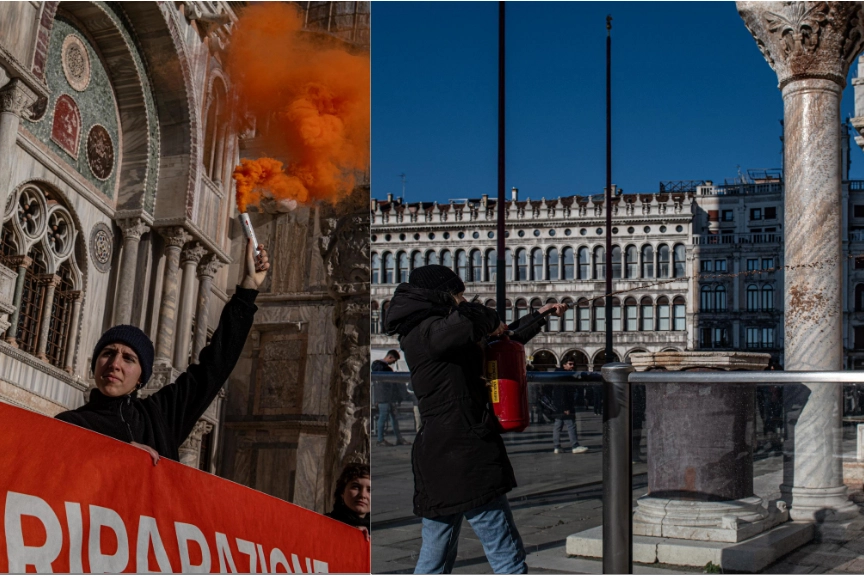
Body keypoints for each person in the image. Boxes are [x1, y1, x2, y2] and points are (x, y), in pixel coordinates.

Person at [384, 265, 566, 574]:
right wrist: (482, 316)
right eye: (459, 294)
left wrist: (540, 315)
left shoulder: (429, 331)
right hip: (464, 452)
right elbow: (480, 321)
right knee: (505, 553)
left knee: (435, 556)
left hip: (439, 454)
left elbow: (498, 341)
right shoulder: (431, 331)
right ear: (444, 295)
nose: (462, 300)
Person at [55, 239, 269, 465]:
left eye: (129, 358)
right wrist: (115, 451)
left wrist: (247, 289)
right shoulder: (69, 425)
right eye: (108, 353)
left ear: (141, 377)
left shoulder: (160, 417)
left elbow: (214, 366)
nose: (115, 364)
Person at [541, 360, 588, 454]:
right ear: (564, 365)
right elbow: (563, 393)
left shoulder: (557, 375)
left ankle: (557, 446)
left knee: (558, 425)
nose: (572, 366)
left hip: (557, 405)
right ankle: (575, 445)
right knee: (571, 425)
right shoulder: (564, 376)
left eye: (573, 364)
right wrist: (566, 407)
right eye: (570, 364)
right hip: (565, 405)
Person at [372, 350, 410, 447]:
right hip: (383, 397)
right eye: (394, 360)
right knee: (383, 417)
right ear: (390, 357)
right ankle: (380, 439)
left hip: (387, 397)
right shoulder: (378, 365)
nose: (394, 363)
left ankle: (398, 438)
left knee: (393, 418)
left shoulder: (384, 367)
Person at [325, 462, 371, 531]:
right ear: (342, 491)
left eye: (370, 490)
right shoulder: (323, 523)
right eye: (356, 487)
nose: (363, 495)